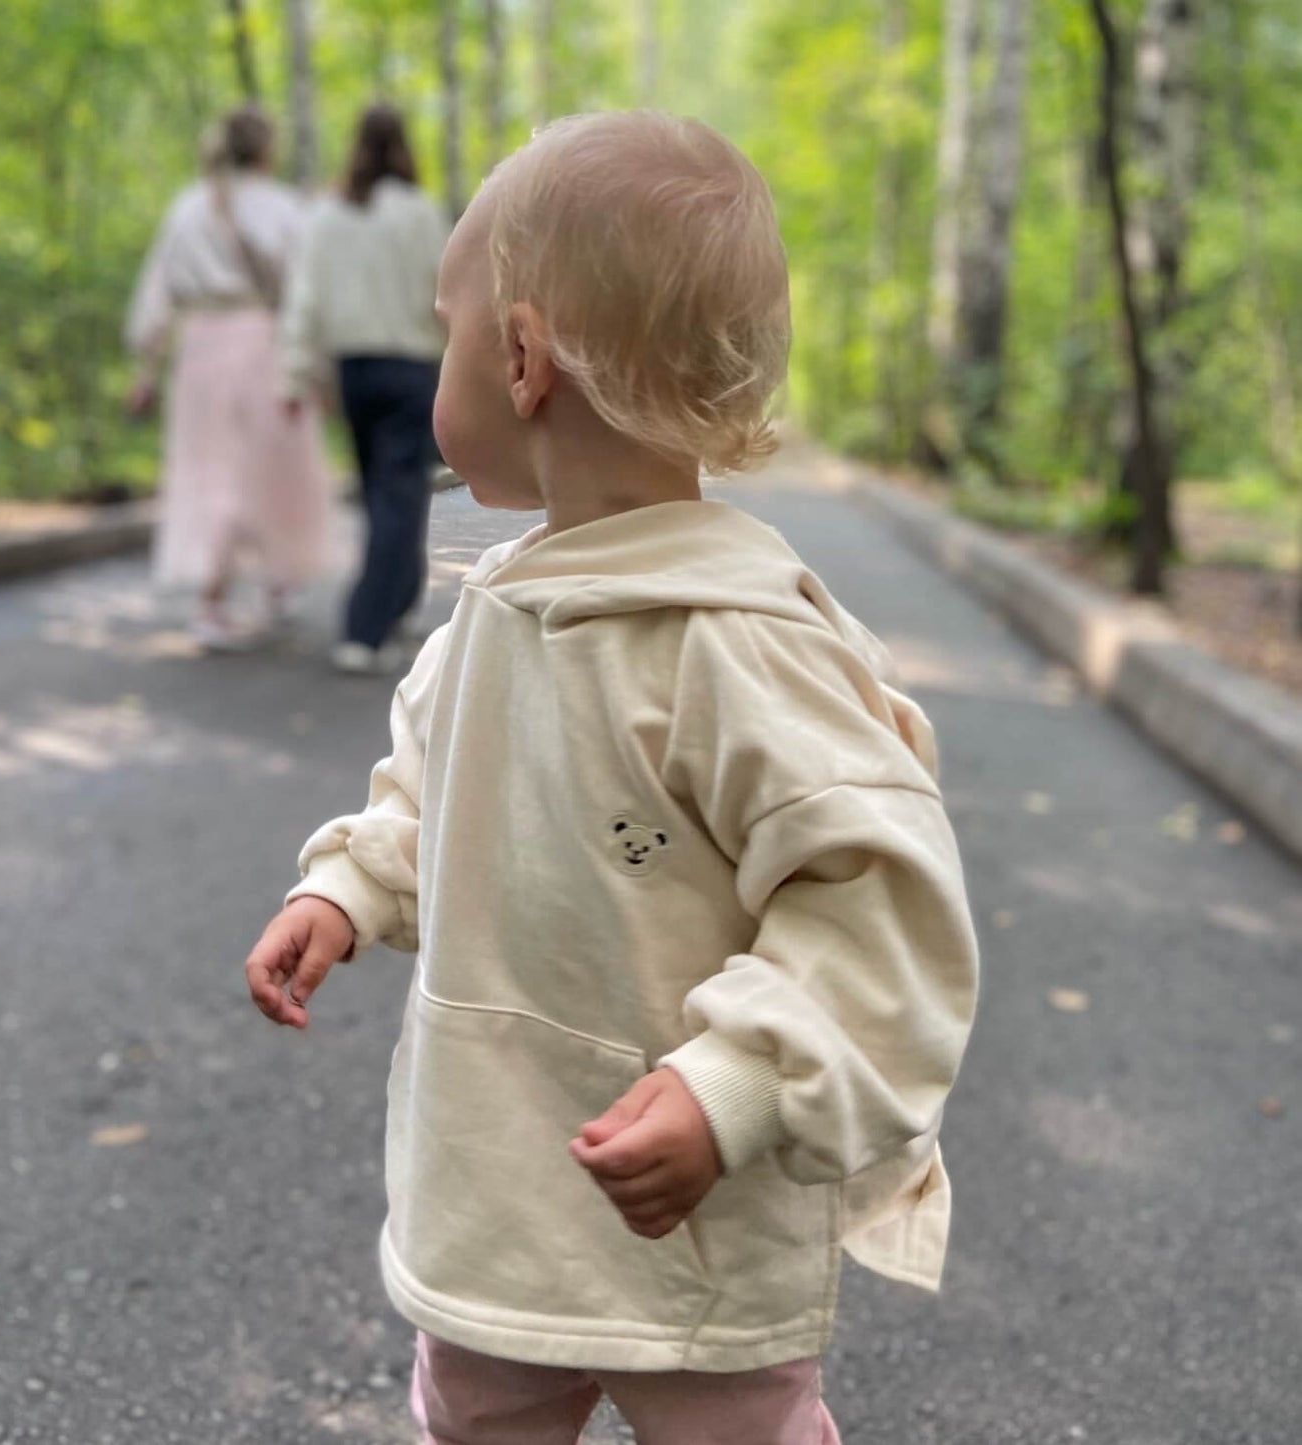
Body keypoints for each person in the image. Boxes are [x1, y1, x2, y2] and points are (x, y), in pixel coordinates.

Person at [245, 112, 979, 1444]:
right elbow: (431, 782)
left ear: (520, 358)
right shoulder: (498, 606)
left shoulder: (739, 642)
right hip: (497, 1188)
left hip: (688, 1204)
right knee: (475, 1409)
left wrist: (737, 1083)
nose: (433, 362)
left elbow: (875, 905)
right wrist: (350, 883)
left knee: (729, 1425)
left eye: (445, 329)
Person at [125, 106, 329, 651]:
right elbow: (305, 293)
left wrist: (146, 365)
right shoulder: (285, 207)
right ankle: (271, 580)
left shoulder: (188, 206)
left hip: (200, 350)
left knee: (210, 469)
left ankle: (215, 599)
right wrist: (312, 364)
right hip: (263, 344)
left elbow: (157, 292)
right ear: (266, 149)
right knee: (277, 465)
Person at [280, 104, 449, 674]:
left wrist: (297, 373)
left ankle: (396, 607)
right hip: (410, 368)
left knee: (384, 497)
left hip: (354, 373)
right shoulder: (420, 213)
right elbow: (445, 291)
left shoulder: (328, 216)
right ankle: (364, 629)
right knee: (400, 496)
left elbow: (304, 298)